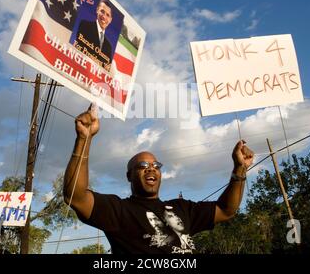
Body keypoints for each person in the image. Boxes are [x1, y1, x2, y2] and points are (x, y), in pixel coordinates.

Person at [63, 104, 254, 254]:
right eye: (143, 166)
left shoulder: (183, 208)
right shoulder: (119, 210)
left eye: (156, 166)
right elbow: (76, 197)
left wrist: (239, 169)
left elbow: (226, 210)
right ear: (129, 176)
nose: (151, 169)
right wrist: (84, 139)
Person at [75, 0, 113, 71]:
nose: (104, 17)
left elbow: (106, 69)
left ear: (110, 20)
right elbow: (79, 49)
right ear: (97, 10)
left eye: (107, 15)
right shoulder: (85, 25)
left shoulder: (109, 47)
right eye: (102, 11)